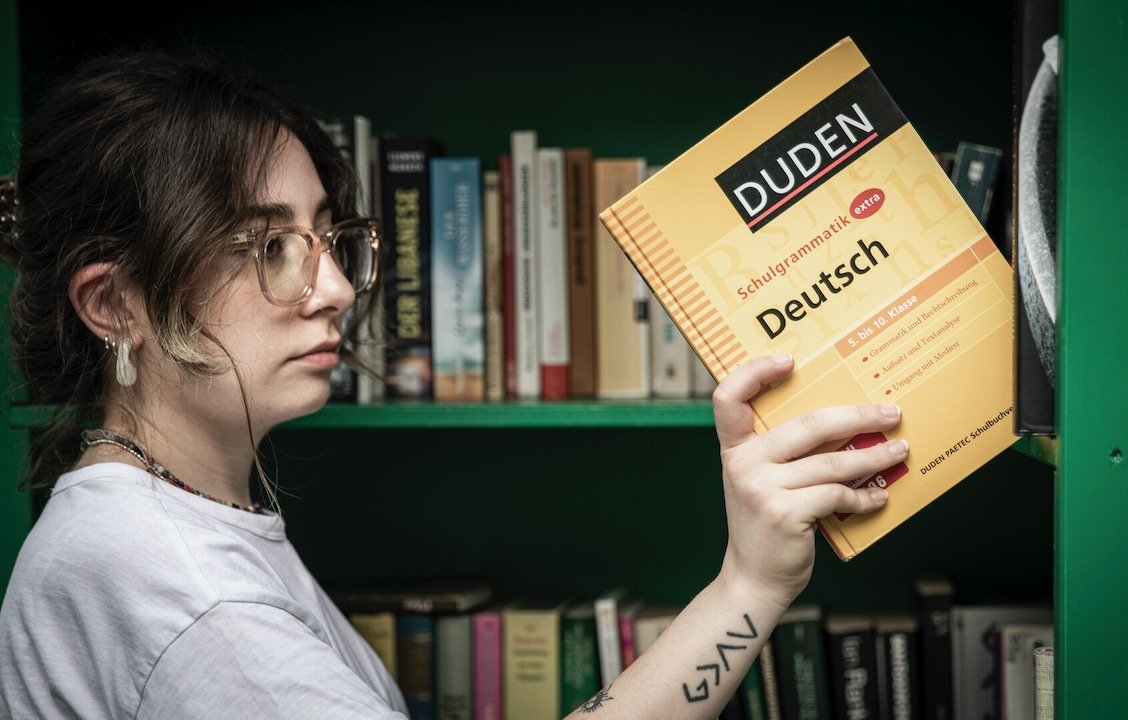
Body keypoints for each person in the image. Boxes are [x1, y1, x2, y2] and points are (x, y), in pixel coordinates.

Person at [0, 50, 908, 719]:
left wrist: (749, 583)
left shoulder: (161, 527)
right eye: (268, 247)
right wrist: (747, 585)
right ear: (115, 303)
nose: (339, 289)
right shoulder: (187, 593)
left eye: (325, 236)